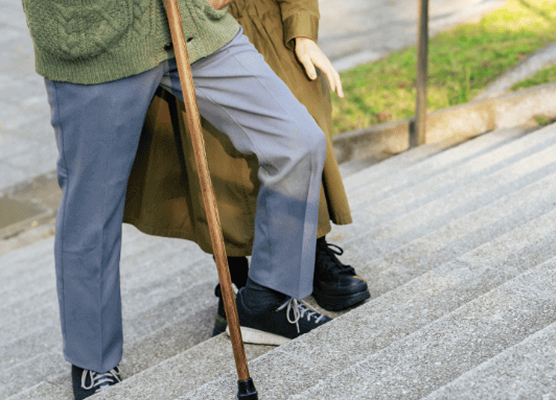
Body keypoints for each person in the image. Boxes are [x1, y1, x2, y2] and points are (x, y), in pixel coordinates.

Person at [21, 0, 337, 398]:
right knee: (92, 209)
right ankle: (92, 360)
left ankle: (267, 299)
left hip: (192, 24)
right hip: (96, 44)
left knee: (298, 141)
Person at [121, 0, 370, 337]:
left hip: (265, 20)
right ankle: (235, 278)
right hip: (192, 31)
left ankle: (314, 249)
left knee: (298, 131)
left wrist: (302, 30)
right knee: (211, 154)